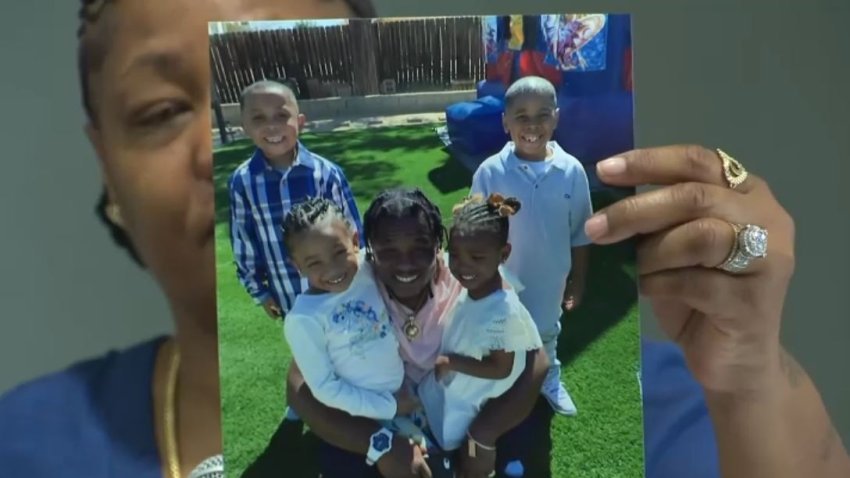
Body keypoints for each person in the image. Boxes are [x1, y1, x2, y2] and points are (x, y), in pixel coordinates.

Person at [1, 0, 848, 478]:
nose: (210, 151)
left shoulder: (681, 409)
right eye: (156, 113)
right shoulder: (27, 447)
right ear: (106, 170)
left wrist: (752, 385)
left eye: (283, 105)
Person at [470, 75, 593, 416]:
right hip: (502, 281)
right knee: (500, 332)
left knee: (546, 330)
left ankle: (549, 376)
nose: (532, 124)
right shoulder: (490, 172)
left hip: (551, 278)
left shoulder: (572, 172)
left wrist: (578, 280)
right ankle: (501, 382)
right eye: (521, 116)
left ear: (556, 117)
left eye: (542, 114)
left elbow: (581, 232)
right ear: (505, 122)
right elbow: (474, 229)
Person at [416, 193, 544, 454]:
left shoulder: (502, 311)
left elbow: (500, 368)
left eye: (476, 258)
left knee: (461, 432)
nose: (463, 266)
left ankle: (471, 457)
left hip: (475, 391)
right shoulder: (477, 288)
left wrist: (452, 362)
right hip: (460, 380)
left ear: (503, 254)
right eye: (456, 255)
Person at [229, 79, 363, 319]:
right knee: (306, 351)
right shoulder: (243, 182)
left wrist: (363, 276)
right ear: (244, 128)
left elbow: (353, 231)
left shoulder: (326, 173)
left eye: (281, 116)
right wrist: (260, 292)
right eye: (259, 118)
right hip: (290, 296)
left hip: (340, 287)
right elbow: (244, 243)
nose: (272, 126)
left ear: (300, 122)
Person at [281, 196, 418, 421]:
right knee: (415, 455)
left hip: (404, 388)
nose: (333, 269)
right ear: (298, 267)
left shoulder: (368, 267)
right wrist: (389, 407)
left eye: (338, 253)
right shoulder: (304, 319)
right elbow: (325, 387)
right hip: (362, 413)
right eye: (314, 263)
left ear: (355, 241)